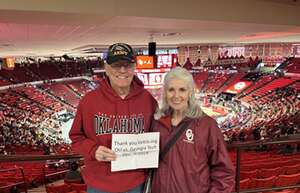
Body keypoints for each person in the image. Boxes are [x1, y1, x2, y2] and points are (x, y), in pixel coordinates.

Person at [69, 43, 157, 193]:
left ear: (134, 67)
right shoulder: (89, 101)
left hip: (137, 182)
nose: (122, 70)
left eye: (127, 65)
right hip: (100, 184)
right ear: (107, 68)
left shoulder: (147, 100)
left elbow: (160, 135)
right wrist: (93, 150)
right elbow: (76, 137)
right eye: (117, 65)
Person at [151, 67, 235, 193]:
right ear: (165, 93)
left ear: (190, 92)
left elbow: (224, 172)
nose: (176, 96)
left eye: (182, 90)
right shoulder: (156, 123)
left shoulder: (207, 125)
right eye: (171, 90)